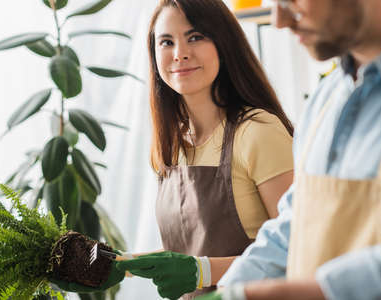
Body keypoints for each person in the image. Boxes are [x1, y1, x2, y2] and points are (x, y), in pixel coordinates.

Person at [194, 0, 381, 299]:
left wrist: (263, 296)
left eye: (290, 0)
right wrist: (232, 286)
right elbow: (295, 220)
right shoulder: (326, 98)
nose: (279, 19)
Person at [116, 0, 295, 299]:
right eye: (166, 42)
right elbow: (189, 251)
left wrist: (202, 271)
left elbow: (300, 249)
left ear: (224, 43)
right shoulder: (173, 144)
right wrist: (121, 265)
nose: (180, 53)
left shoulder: (258, 131)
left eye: (195, 37)